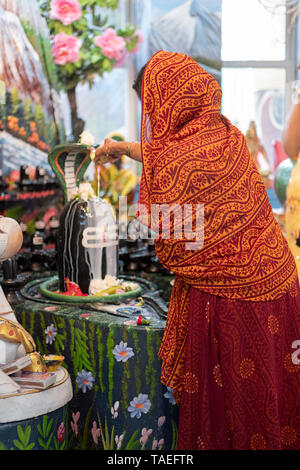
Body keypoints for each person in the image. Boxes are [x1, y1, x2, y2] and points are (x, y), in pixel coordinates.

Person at [95, 51, 300, 450]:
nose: (153, 119)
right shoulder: (225, 133)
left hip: (237, 300)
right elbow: (170, 153)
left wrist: (126, 152)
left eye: (152, 107)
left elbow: (170, 223)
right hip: (277, 279)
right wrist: (127, 148)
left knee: (241, 414)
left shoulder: (182, 158)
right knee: (277, 396)